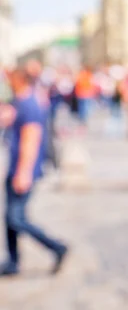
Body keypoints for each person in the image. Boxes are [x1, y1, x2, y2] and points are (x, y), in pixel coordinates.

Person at [0, 67, 68, 276]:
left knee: (16, 218)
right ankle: (13, 261)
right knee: (10, 217)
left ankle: (56, 247)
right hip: (16, 166)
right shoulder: (21, 102)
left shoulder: (29, 104)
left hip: (23, 168)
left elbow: (31, 139)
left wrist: (24, 172)